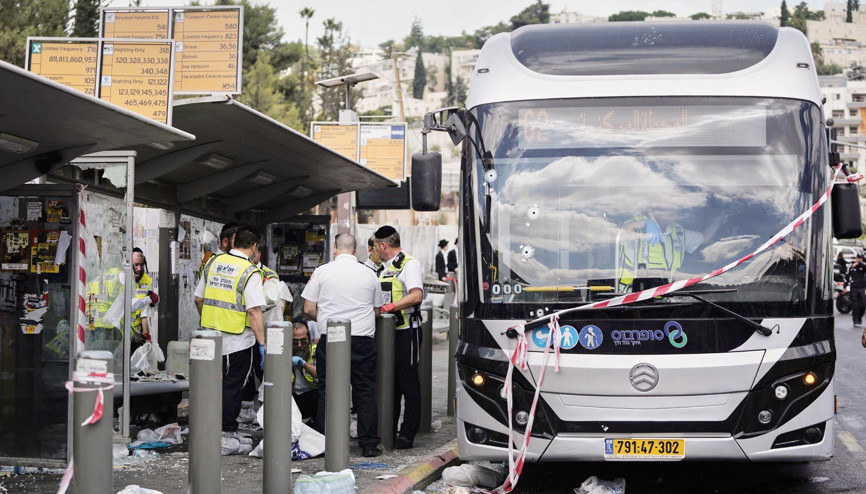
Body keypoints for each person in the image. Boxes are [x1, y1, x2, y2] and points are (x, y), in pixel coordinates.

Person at [302, 233, 384, 457]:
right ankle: (368, 444)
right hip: (362, 340)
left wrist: (329, 314)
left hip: (332, 338)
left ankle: (325, 441)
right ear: (355, 251)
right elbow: (377, 310)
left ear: (335, 250)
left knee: (328, 390)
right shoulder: (369, 274)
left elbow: (308, 308)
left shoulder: (322, 271)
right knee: (364, 391)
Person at [194, 227, 266, 455]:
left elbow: (199, 299)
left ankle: (216, 432)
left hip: (209, 339)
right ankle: (224, 435)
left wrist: (210, 321)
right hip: (237, 341)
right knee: (233, 388)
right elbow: (254, 311)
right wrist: (263, 343)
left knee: (212, 387)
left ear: (233, 242)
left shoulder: (212, 263)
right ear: (254, 247)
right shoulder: (250, 271)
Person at [374, 225, 424, 449]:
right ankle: (389, 430)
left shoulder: (409, 264)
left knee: (408, 383)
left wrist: (390, 307)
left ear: (384, 245)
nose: (375, 250)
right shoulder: (384, 268)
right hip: (388, 334)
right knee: (391, 384)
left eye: (376, 246)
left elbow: (416, 295)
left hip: (407, 332)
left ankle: (407, 434)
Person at [617, 212, 722, 291]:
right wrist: (645, 223)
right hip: (630, 298)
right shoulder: (636, 225)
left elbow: (705, 238)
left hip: (665, 297)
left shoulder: (676, 231)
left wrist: (721, 216)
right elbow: (624, 230)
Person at [130, 248, 158, 352]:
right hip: (122, 331)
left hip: (137, 333)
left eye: (141, 265)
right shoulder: (123, 277)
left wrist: (146, 335)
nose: (139, 268)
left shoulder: (146, 280)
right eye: (136, 265)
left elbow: (144, 311)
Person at [291, 320, 318, 421]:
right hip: (291, 398)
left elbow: (321, 375)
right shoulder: (283, 353)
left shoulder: (316, 351)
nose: (299, 345)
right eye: (294, 341)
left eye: (303, 341)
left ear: (309, 339)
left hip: (311, 396)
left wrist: (304, 364)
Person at [847, 252, 866, 327]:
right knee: (855, 306)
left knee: (863, 305)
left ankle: (859, 318)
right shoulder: (851, 266)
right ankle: (855, 321)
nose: (859, 259)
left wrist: (859, 263)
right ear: (856, 258)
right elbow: (847, 276)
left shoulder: (863, 265)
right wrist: (845, 287)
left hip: (862, 288)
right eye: (858, 258)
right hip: (854, 288)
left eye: (861, 258)